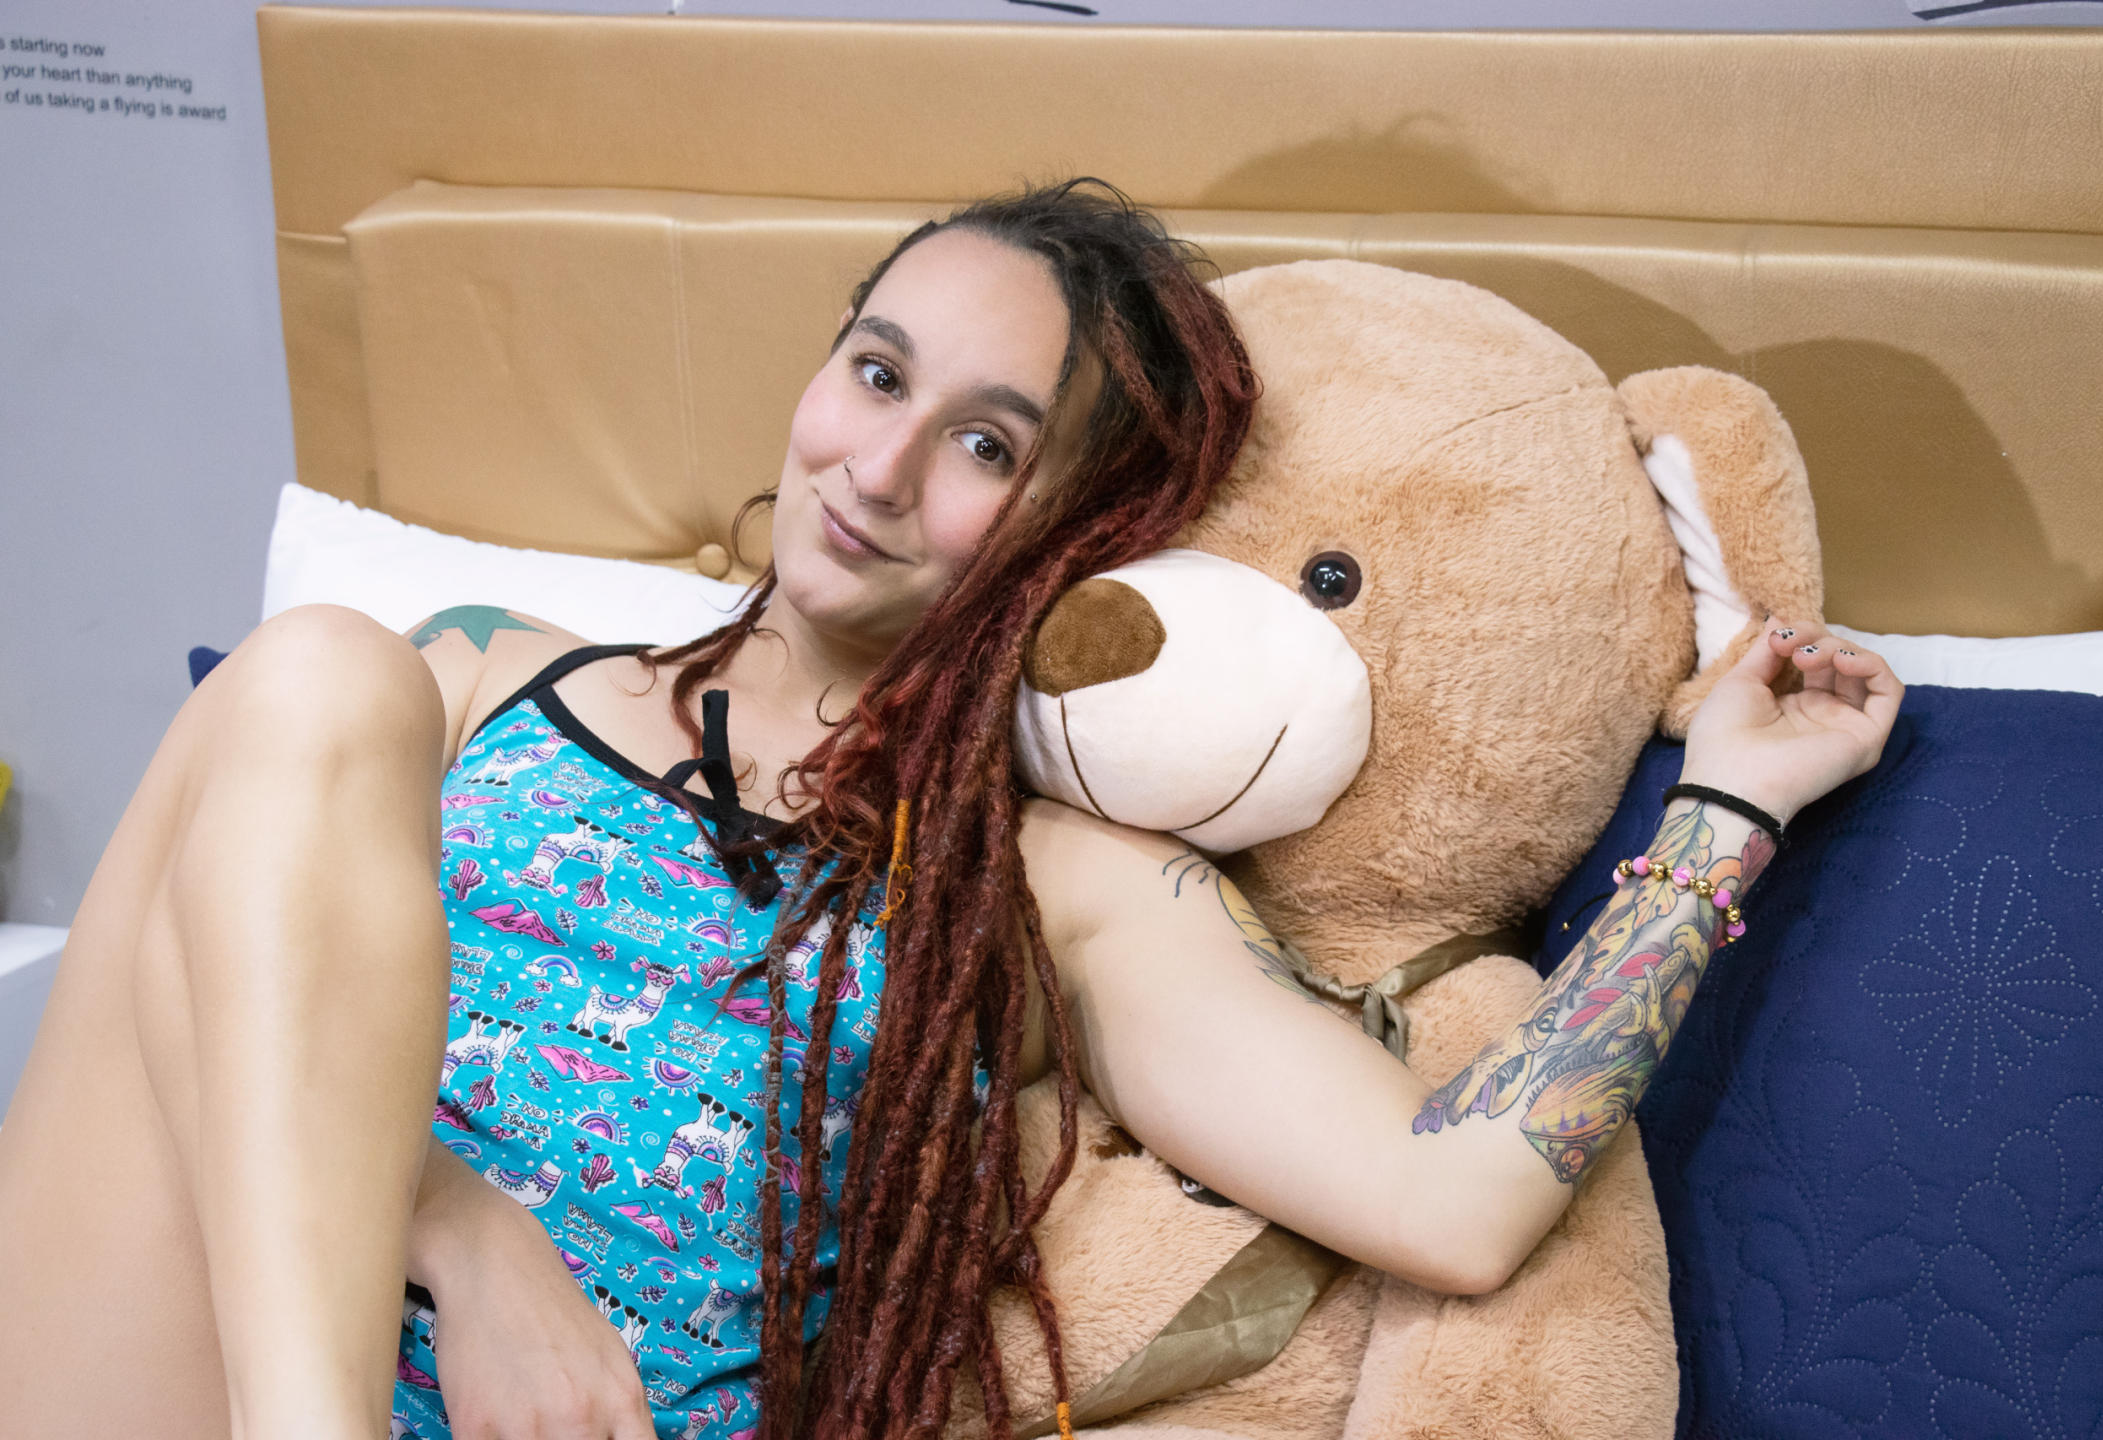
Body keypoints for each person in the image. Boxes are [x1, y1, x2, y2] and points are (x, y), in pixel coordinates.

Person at [0, 179, 1901, 1440]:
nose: (882, 466)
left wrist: (1722, 810)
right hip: (193, 1375)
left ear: (1079, 525)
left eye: (987, 443)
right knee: (319, 671)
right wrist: (455, 1222)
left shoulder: (1054, 881)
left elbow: (1451, 1202)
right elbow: (191, 1015)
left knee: (321, 681)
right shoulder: (475, 679)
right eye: (877, 372)